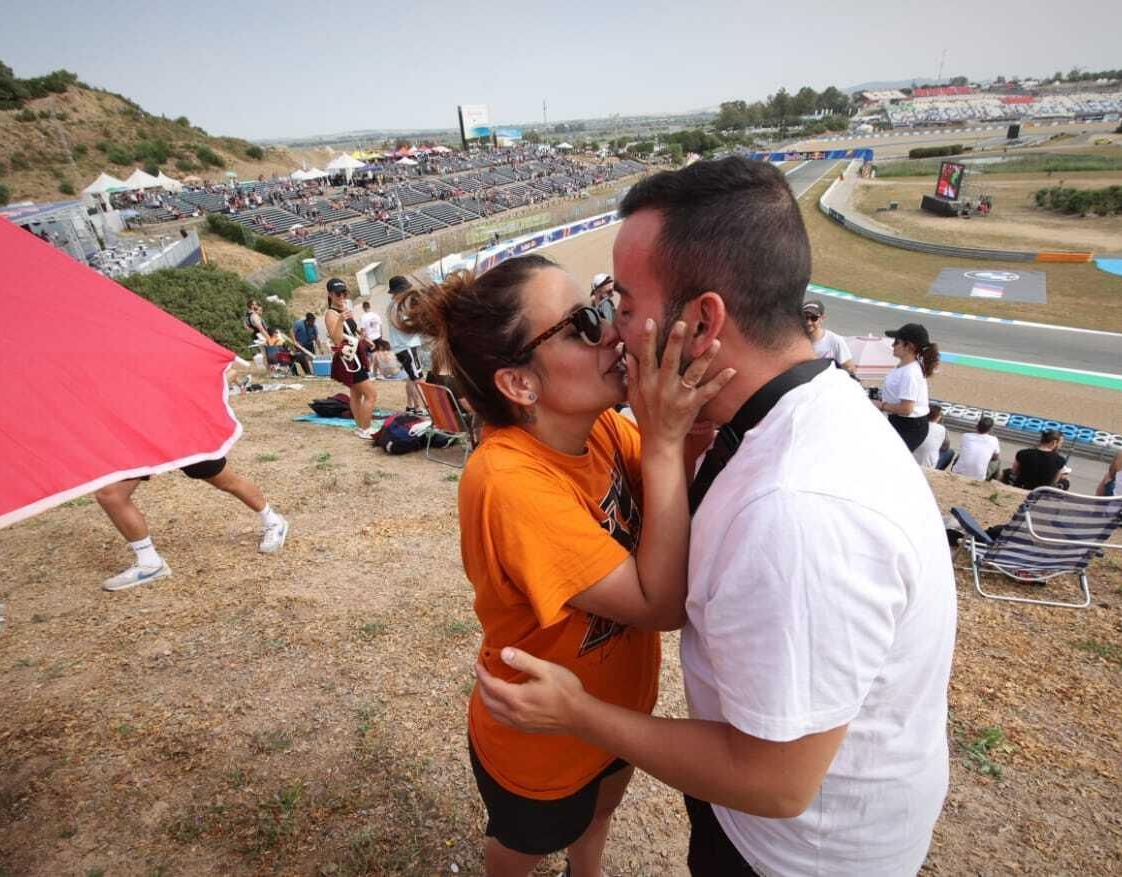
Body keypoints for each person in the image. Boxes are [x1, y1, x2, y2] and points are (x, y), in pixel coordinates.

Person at [476, 157, 957, 876]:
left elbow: (774, 781)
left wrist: (582, 714)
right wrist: (678, 434)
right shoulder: (793, 417)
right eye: (597, 315)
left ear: (702, 321)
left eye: (624, 304)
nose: (617, 332)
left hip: (790, 855)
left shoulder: (797, 512)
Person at [394, 254, 731, 877]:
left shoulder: (599, 427)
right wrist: (663, 441)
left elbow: (665, 513)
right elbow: (659, 605)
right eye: (583, 324)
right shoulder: (506, 481)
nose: (612, 331)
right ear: (520, 384)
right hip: (539, 735)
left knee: (599, 817)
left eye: (602, 307)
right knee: (523, 847)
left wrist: (682, 442)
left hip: (614, 710)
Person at [92, 458, 288, 591]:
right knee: (111, 495)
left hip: (177, 428)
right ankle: (149, 562)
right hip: (140, 434)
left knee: (225, 481)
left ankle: (273, 520)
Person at [322, 278, 379, 440]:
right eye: (337, 294)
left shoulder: (345, 309)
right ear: (330, 295)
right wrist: (340, 320)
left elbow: (352, 333)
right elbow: (337, 340)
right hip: (350, 359)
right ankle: (365, 428)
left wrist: (365, 339)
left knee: (356, 394)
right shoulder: (331, 314)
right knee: (371, 395)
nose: (341, 297)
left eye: (344, 293)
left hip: (356, 354)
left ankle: (361, 426)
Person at [873, 322, 938, 453]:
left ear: (909, 346)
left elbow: (907, 408)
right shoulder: (905, 367)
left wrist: (881, 405)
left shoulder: (910, 372)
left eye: (897, 342)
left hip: (909, 426)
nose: (892, 345)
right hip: (903, 422)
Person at [384, 275, 428, 413]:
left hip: (402, 347)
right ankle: (421, 407)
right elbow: (407, 325)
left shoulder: (393, 306)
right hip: (406, 346)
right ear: (400, 291)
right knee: (418, 378)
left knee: (411, 377)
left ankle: (411, 405)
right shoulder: (399, 307)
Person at [801, 301, 853, 372]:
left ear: (822, 318)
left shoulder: (835, 341)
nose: (808, 322)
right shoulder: (796, 341)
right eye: (805, 317)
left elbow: (849, 368)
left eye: (814, 318)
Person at [953, 415, 1001, 480]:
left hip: (958, 472)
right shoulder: (994, 439)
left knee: (961, 454)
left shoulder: (966, 436)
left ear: (976, 426)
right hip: (979, 477)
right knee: (998, 461)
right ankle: (992, 482)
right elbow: (996, 457)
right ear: (990, 429)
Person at [917, 403, 950, 469]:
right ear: (938, 417)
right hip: (927, 466)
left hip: (911, 459)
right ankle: (937, 471)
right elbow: (945, 448)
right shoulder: (942, 429)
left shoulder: (916, 423)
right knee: (950, 452)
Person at [357, 300, 385, 377]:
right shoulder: (376, 315)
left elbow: (363, 331)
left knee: (370, 356)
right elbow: (381, 327)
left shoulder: (363, 317)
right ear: (369, 306)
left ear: (363, 308)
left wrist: (360, 340)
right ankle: (377, 372)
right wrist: (381, 338)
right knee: (377, 355)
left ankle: (373, 372)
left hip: (370, 339)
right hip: (378, 337)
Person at [290, 312, 320, 377]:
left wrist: (320, 348)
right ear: (307, 321)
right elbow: (292, 331)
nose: (313, 323)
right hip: (300, 345)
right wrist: (294, 341)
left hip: (309, 344)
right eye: (312, 321)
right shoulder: (299, 323)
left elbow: (317, 338)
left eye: (314, 321)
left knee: (313, 358)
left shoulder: (314, 327)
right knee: (302, 358)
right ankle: (307, 372)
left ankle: (316, 372)